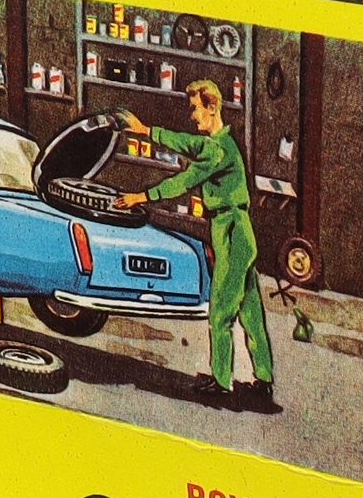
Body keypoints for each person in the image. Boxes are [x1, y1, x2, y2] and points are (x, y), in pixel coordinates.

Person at [113, 81, 275, 412]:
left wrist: (141, 196)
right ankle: (263, 379)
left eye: (195, 109)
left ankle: (221, 381)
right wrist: (146, 131)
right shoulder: (217, 142)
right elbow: (185, 142)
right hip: (237, 230)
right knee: (250, 310)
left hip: (230, 229)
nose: (192, 115)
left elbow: (184, 181)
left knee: (221, 311)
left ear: (212, 108)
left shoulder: (217, 151)